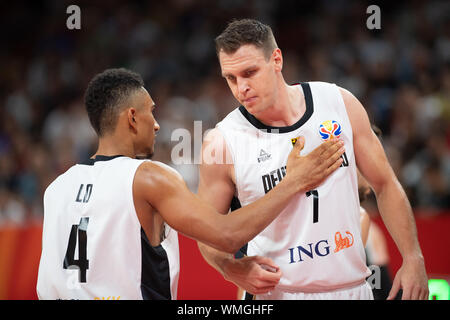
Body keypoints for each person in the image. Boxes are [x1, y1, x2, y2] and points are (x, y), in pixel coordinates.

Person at [36, 68, 345, 300]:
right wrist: (293, 182)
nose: (156, 124)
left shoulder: (56, 189)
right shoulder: (148, 177)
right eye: (151, 112)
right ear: (132, 118)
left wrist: (227, 267)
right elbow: (227, 235)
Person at [197, 19, 428, 300]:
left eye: (250, 72)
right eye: (231, 78)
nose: (240, 88)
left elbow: (385, 184)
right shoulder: (222, 141)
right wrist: (229, 268)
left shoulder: (339, 103)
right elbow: (207, 230)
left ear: (277, 60)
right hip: (279, 292)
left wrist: (413, 256)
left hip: (352, 288)